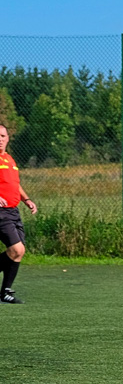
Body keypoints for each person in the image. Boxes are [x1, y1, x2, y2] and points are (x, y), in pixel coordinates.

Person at [0, 124, 37, 304]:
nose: (0, 139)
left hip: (13, 211)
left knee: (17, 251)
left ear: (7, 138)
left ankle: (5, 292)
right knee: (17, 249)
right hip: (0, 212)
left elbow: (15, 185)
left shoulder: (10, 160)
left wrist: (27, 199)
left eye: (3, 136)